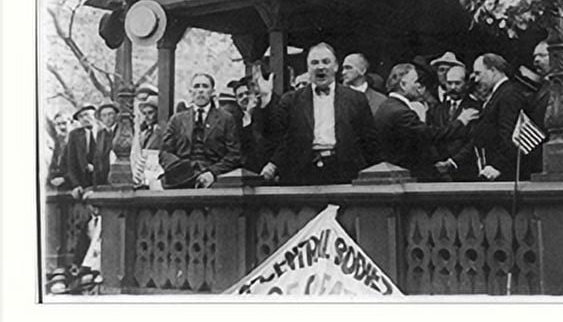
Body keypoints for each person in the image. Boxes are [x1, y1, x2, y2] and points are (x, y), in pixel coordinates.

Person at [255, 42, 380, 185]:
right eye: (314, 63)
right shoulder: (291, 100)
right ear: (308, 68)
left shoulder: (356, 99)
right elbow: (273, 136)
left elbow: (370, 143)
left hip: (345, 173)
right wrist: (266, 100)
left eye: (326, 62)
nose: (320, 67)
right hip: (303, 174)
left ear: (336, 66)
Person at [375, 63, 478, 180]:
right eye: (415, 81)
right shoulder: (401, 112)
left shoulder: (387, 106)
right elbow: (430, 134)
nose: (419, 85)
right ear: (403, 85)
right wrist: (461, 121)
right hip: (402, 175)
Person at [159, 73, 241, 189]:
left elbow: (234, 154)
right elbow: (164, 152)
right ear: (190, 91)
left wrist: (212, 172)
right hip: (181, 178)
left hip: (214, 178)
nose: (200, 90)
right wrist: (179, 169)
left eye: (205, 86)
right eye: (196, 86)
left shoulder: (226, 119)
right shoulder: (177, 120)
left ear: (212, 92)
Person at [471, 53, 526, 181]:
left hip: (504, 174)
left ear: (493, 71)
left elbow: (510, 136)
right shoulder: (500, 93)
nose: (476, 79)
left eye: (479, 73)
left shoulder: (509, 94)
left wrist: (497, 166)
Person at [427, 64, 481, 181]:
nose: (452, 87)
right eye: (449, 83)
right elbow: (430, 137)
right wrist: (439, 162)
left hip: (465, 170)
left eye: (457, 83)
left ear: (466, 84)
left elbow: (474, 140)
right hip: (439, 172)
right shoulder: (435, 109)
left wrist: (453, 162)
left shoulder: (476, 108)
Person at [62, 104, 112, 197]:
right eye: (80, 117)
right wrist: (76, 185)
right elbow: (71, 162)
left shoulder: (105, 132)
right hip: (83, 185)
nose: (84, 119)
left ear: (95, 115)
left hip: (103, 184)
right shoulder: (75, 135)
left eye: (87, 114)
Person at [47, 112, 71, 189]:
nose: (62, 127)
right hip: (59, 184)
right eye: (58, 124)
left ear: (71, 123)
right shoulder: (58, 142)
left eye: (64, 123)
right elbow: (54, 165)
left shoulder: (78, 140)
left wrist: (65, 179)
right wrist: (51, 178)